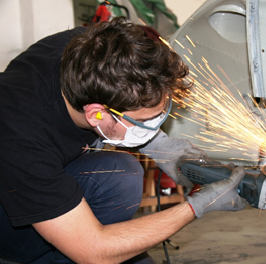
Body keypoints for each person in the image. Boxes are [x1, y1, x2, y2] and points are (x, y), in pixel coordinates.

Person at [0, 17, 248, 263]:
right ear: (96, 114)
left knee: (119, 173)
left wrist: (161, 146)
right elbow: (94, 251)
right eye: (145, 122)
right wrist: (196, 206)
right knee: (113, 197)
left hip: (41, 175)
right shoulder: (22, 139)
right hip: (10, 217)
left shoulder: (93, 50)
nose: (155, 126)